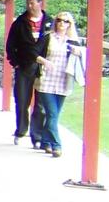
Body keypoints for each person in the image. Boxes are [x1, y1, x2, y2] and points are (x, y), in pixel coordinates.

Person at [33, 12, 84, 159]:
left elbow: (83, 59)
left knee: (55, 115)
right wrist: (45, 62)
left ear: (70, 24)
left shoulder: (73, 42)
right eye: (59, 20)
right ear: (56, 22)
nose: (62, 23)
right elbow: (34, 54)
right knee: (52, 113)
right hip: (47, 80)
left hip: (63, 81)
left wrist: (78, 53)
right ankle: (57, 145)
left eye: (66, 21)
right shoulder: (48, 38)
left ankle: (46, 141)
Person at [4, 0, 47, 145]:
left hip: (43, 69)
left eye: (32, 3)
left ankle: (37, 136)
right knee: (22, 100)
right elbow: (10, 45)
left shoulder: (49, 23)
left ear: (40, 3)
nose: (29, 6)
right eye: (28, 3)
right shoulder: (19, 23)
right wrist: (15, 62)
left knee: (41, 104)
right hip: (23, 67)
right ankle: (21, 131)